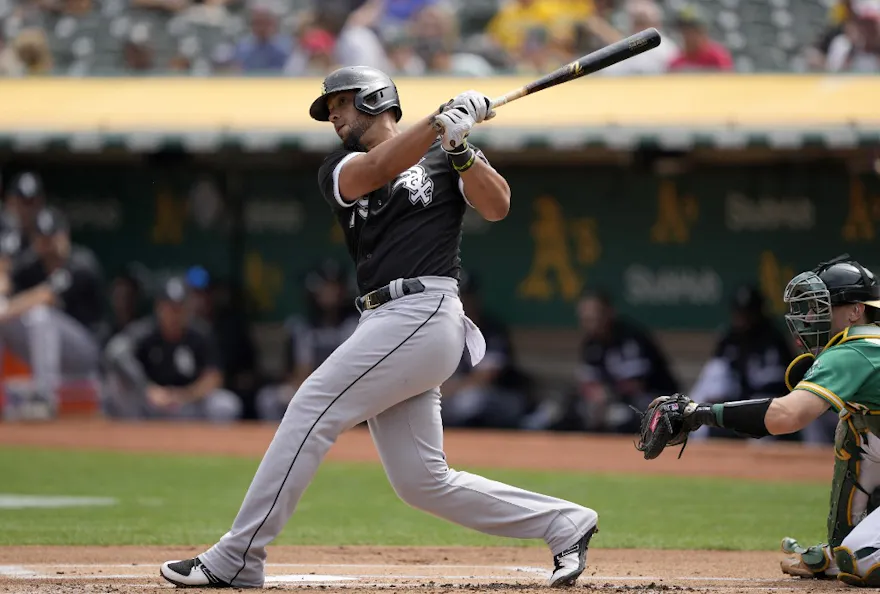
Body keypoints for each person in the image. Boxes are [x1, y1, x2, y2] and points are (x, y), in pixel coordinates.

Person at [160, 65, 598, 589]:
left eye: (340, 104)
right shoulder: (341, 167)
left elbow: (498, 204)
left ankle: (239, 556)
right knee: (421, 481)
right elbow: (378, 167)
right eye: (330, 111)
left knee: (310, 407)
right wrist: (442, 121)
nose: (334, 117)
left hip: (425, 310)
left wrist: (460, 149)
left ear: (374, 98)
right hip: (385, 318)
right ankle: (562, 522)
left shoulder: (444, 152)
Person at [633, 254, 880, 587]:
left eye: (822, 306)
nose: (810, 317)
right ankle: (843, 546)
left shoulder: (856, 350)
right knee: (855, 427)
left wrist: (698, 413)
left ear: (856, 310)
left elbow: (786, 416)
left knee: (860, 560)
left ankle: (852, 549)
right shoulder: (866, 346)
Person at [0, 206, 106, 417]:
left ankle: (44, 398)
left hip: (84, 351)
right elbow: (6, 283)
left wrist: (7, 309)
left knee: (40, 315)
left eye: (52, 236)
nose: (47, 244)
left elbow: (46, 296)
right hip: (48, 350)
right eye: (42, 238)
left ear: (64, 235)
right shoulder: (30, 265)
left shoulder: (80, 263)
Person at [102, 276, 243, 422]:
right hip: (150, 404)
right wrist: (147, 389)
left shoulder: (200, 334)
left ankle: (209, 444)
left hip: (188, 404)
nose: (174, 315)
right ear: (158, 307)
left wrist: (181, 396)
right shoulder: (144, 332)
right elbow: (115, 353)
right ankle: (130, 441)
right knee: (115, 387)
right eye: (169, 308)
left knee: (225, 404)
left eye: (179, 308)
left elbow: (214, 378)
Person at [255, 259, 359, 421]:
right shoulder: (301, 326)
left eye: (335, 287)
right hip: (309, 388)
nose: (330, 293)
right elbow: (297, 370)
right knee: (268, 398)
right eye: (325, 287)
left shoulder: (356, 323)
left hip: (348, 390)